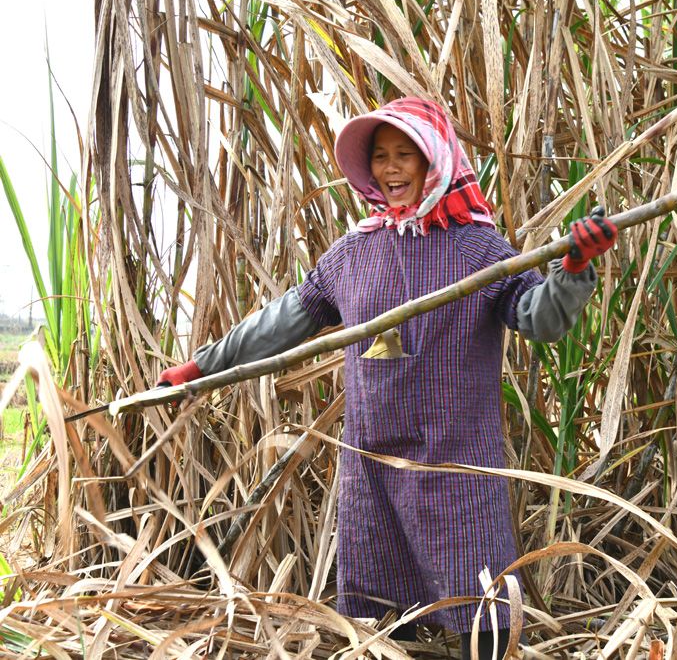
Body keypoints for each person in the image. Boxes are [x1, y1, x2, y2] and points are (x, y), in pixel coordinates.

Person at [158, 97, 617, 658]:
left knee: (481, 606)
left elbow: (539, 319)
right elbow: (282, 322)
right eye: (380, 156)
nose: (392, 169)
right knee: (377, 613)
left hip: (456, 463)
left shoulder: (479, 249)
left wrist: (573, 268)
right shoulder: (352, 255)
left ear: (434, 163)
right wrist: (203, 365)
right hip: (371, 461)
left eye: (406, 154)